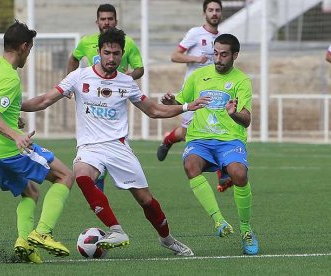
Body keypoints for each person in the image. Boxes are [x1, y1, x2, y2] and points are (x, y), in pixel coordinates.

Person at [22, 28, 211, 256]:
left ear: (122, 54)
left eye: (116, 54)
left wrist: (185, 107)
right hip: (90, 147)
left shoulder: (126, 82)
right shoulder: (79, 76)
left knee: (146, 201)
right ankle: (116, 230)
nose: (111, 58)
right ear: (99, 52)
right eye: (107, 53)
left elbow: (154, 110)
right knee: (81, 175)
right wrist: (15, 106)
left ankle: (167, 240)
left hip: (118, 146)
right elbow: (44, 100)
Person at [0, 20, 74, 263]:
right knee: (65, 176)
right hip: (7, 149)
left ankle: (24, 243)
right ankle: (42, 233)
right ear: (23, 46)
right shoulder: (10, 78)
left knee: (30, 192)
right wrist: (16, 134)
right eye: (30, 48)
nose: (29, 53)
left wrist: (11, 118)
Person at [161, 33, 259, 255]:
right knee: (190, 166)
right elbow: (182, 98)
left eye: (223, 55)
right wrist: (172, 101)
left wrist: (234, 114)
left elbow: (247, 119)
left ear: (234, 55)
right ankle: (219, 222)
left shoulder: (241, 81)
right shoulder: (198, 75)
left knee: (239, 174)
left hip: (229, 140)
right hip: (200, 139)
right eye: (215, 53)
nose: (218, 59)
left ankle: (246, 230)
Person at [66, 3, 144, 192]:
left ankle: (112, 170)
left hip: (114, 100)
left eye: (110, 19)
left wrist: (125, 81)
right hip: (92, 99)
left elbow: (140, 69)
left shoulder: (128, 43)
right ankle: (98, 179)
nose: (106, 22)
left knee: (113, 140)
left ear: (116, 21)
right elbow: (74, 58)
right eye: (103, 19)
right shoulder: (86, 42)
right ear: (97, 21)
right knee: (95, 145)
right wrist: (70, 84)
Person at [156, 0, 232, 192]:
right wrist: (195, 58)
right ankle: (169, 139)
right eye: (211, 10)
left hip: (215, 93)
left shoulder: (223, 38)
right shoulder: (195, 34)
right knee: (189, 133)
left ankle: (222, 176)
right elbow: (175, 55)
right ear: (204, 13)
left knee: (216, 128)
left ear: (221, 13)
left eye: (217, 10)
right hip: (194, 93)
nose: (214, 13)